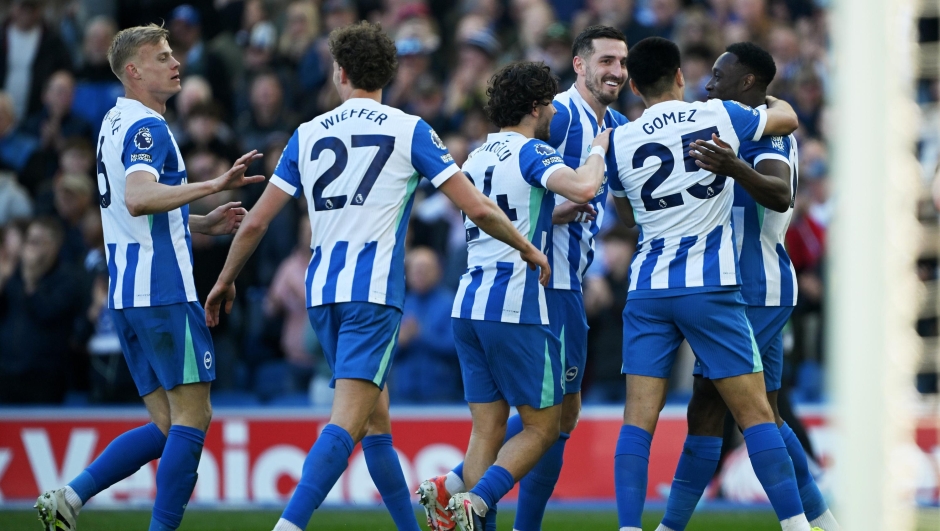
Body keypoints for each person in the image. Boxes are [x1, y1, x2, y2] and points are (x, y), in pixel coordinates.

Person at [201, 22, 549, 531]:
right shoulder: (409, 129)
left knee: (375, 421)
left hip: (322, 296)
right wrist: (528, 247)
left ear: (340, 73)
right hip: (372, 295)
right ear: (388, 74)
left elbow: (255, 220)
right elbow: (476, 207)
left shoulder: (307, 132)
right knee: (347, 420)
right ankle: (289, 524)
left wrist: (225, 279)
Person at [35, 23, 261, 531]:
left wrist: (202, 221)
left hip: (130, 293)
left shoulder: (113, 122)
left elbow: (130, 211)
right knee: (193, 418)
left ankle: (70, 496)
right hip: (163, 290)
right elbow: (139, 196)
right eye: (162, 57)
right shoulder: (147, 129)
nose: (175, 63)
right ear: (133, 71)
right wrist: (212, 183)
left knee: (167, 424)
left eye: (173, 53)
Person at [419, 25, 630, 531]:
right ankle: (484, 499)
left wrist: (546, 220)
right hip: (534, 295)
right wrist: (597, 152)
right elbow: (580, 187)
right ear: (539, 105)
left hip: (471, 298)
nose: (617, 72)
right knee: (550, 422)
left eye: (622, 62)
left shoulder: (475, 154)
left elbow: (492, 211)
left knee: (496, 428)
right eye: (606, 61)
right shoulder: (544, 142)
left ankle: (453, 486)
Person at [604, 37, 816, 531]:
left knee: (638, 421)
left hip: (647, 288)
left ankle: (632, 528)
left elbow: (625, 216)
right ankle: (798, 526)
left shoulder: (620, 140)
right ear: (680, 75)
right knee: (756, 413)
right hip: (708, 286)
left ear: (633, 85)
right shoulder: (717, 115)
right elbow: (785, 120)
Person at [656, 42, 840, 531]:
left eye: (720, 74)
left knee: (710, 409)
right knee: (767, 416)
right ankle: (822, 521)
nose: (708, 82)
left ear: (747, 83)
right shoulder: (735, 124)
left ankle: (672, 526)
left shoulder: (768, 135)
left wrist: (734, 167)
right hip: (736, 287)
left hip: (752, 287)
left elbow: (780, 194)